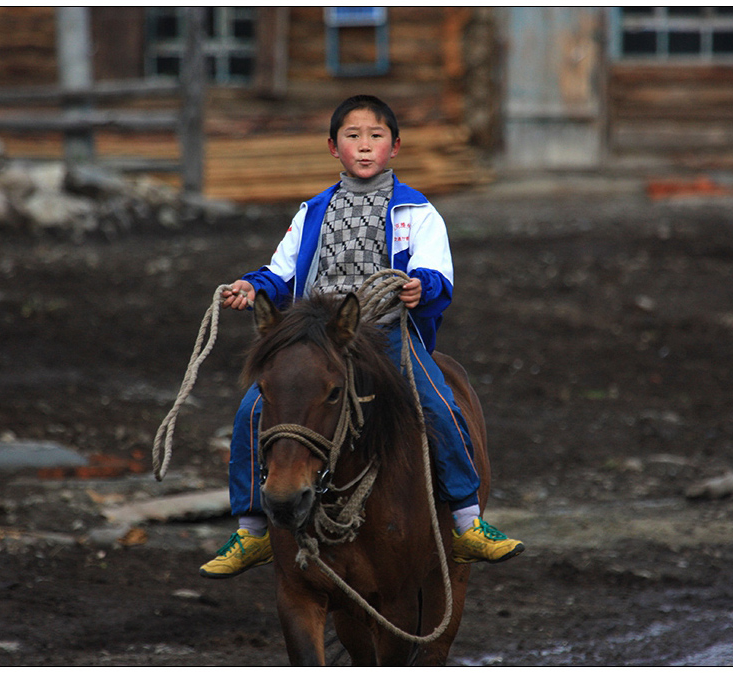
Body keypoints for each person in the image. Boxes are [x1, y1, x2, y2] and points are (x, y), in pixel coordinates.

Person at [200, 95, 523, 578]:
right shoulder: (312, 212)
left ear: (395, 147)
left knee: (437, 403)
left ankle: (466, 521)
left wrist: (421, 287)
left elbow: (438, 273)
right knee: (255, 407)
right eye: (353, 137)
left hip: (384, 329)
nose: (365, 147)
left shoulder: (418, 212)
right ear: (334, 148)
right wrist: (252, 284)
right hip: (321, 335)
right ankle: (251, 528)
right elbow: (282, 271)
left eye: (376, 137)